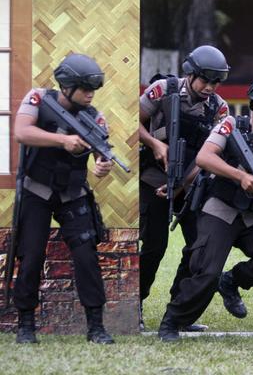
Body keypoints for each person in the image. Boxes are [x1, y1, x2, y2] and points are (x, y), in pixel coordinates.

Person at [157, 74, 253, 342]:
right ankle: (172, 322)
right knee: (206, 271)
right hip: (220, 207)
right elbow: (204, 158)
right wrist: (240, 176)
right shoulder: (231, 125)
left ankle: (230, 281)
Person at [12, 53, 114, 344]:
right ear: (67, 86)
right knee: (31, 255)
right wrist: (63, 140)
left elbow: (101, 153)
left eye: (93, 88)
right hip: (37, 191)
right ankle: (26, 326)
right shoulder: (38, 99)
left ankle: (96, 327)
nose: (90, 93)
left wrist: (101, 165)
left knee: (86, 256)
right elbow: (21, 132)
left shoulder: (94, 117)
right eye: (85, 88)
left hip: (73, 193)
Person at [139, 45, 230, 330]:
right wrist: (154, 144)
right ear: (190, 74)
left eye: (216, 82)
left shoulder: (219, 108)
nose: (210, 87)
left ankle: (179, 312)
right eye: (205, 80)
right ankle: (135, 305)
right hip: (153, 179)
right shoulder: (161, 90)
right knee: (154, 245)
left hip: (191, 183)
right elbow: (131, 123)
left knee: (197, 247)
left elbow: (209, 155)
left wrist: (181, 185)